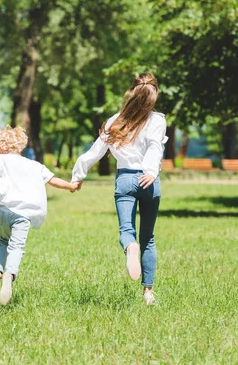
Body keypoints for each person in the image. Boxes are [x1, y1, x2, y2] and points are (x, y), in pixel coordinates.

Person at [71, 73, 167, 306]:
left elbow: (94, 152)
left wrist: (77, 176)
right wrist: (151, 171)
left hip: (125, 180)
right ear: (154, 95)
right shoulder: (158, 120)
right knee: (149, 237)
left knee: (127, 230)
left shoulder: (116, 120)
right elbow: (155, 147)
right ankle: (148, 293)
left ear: (131, 91)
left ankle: (129, 247)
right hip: (149, 180)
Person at [0, 125, 78, 306]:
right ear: (20, 146)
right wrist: (71, 186)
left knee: (3, 241)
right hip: (23, 214)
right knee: (16, 246)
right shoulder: (35, 165)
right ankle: (9, 275)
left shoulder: (1, 159)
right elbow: (53, 180)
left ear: (2, 147)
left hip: (3, 212)